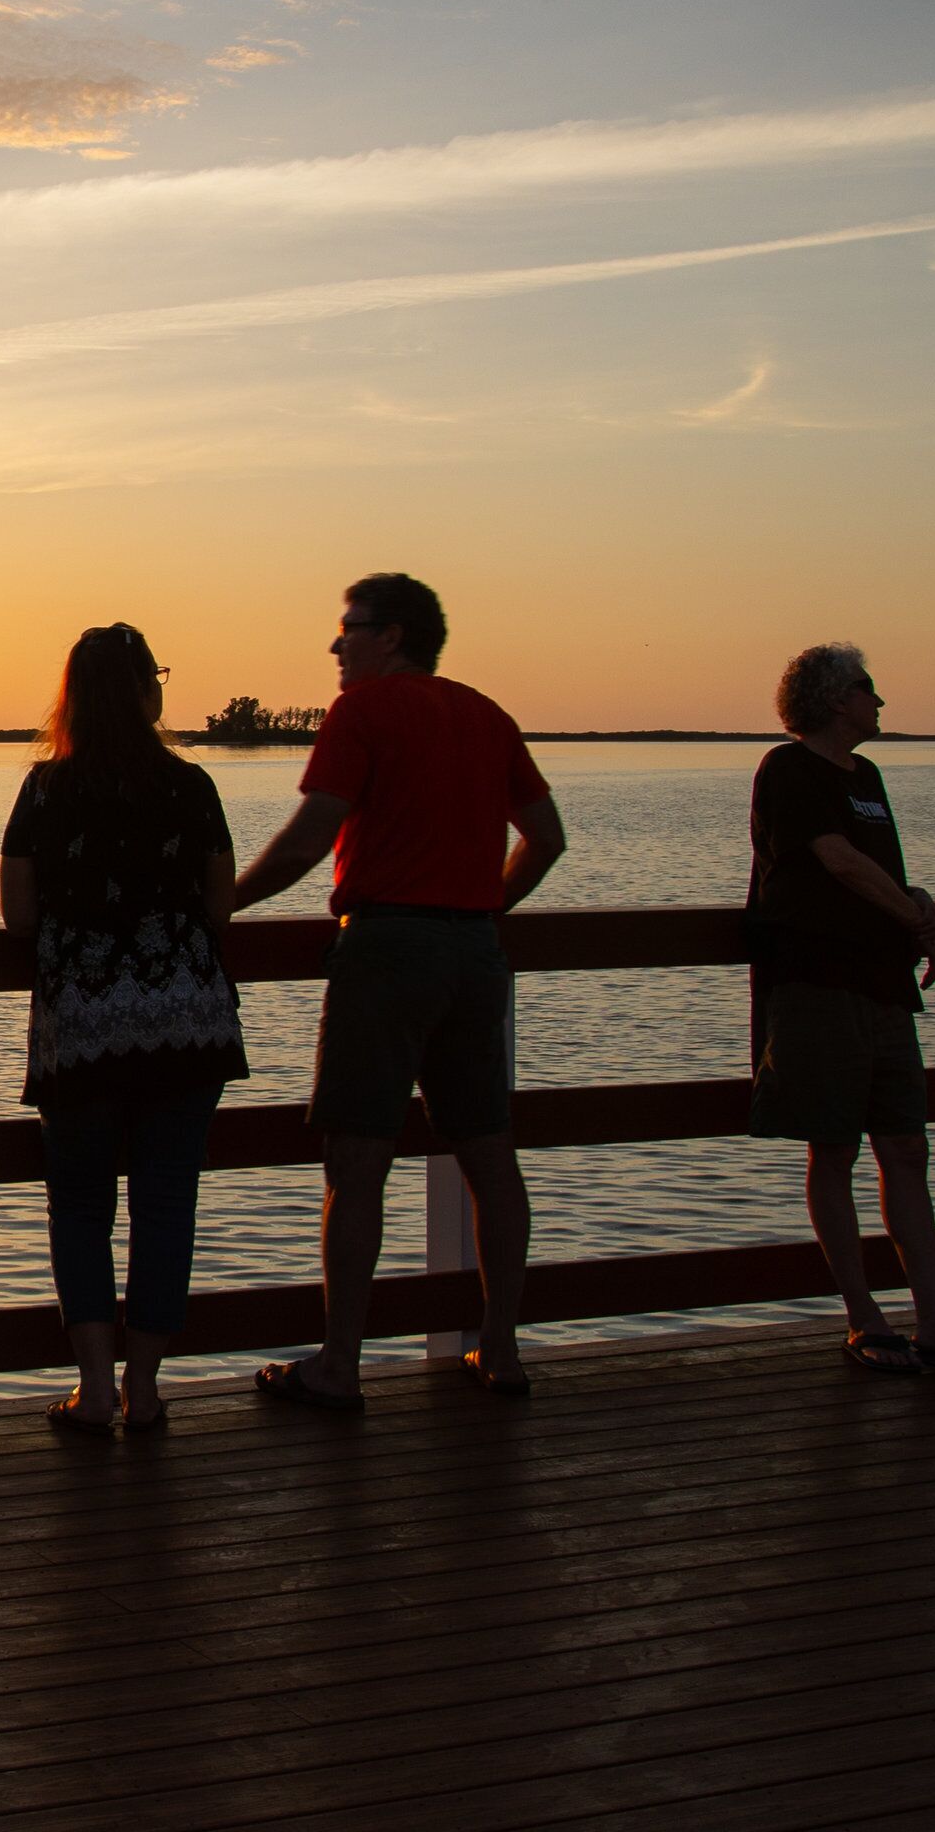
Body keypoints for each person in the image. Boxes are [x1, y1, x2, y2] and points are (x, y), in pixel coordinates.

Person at [232, 574, 565, 1406]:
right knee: (489, 1153)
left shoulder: (363, 713)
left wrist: (221, 905)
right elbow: (548, 839)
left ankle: (339, 1365)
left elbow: (312, 836)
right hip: (473, 954)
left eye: (350, 629)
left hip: (386, 951)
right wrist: (484, 906)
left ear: (393, 636)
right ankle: (501, 1352)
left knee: (357, 1158)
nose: (336, 645)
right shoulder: (486, 714)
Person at [748, 645, 935, 1383]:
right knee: (835, 1150)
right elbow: (836, 859)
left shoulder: (867, 776)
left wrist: (920, 908)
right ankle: (863, 1315)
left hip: (882, 986)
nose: (879, 700)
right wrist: (910, 913)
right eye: (866, 689)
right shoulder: (789, 770)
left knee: (906, 1147)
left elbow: (880, 868)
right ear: (831, 698)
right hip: (816, 982)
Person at [1, 625, 246, 1437]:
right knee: (167, 1205)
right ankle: (144, 1391)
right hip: (185, 1023)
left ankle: (95, 1389)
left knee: (79, 1208)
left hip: (84, 1024)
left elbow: (18, 915)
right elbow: (218, 906)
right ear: (146, 692)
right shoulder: (194, 786)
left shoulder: (44, 791)